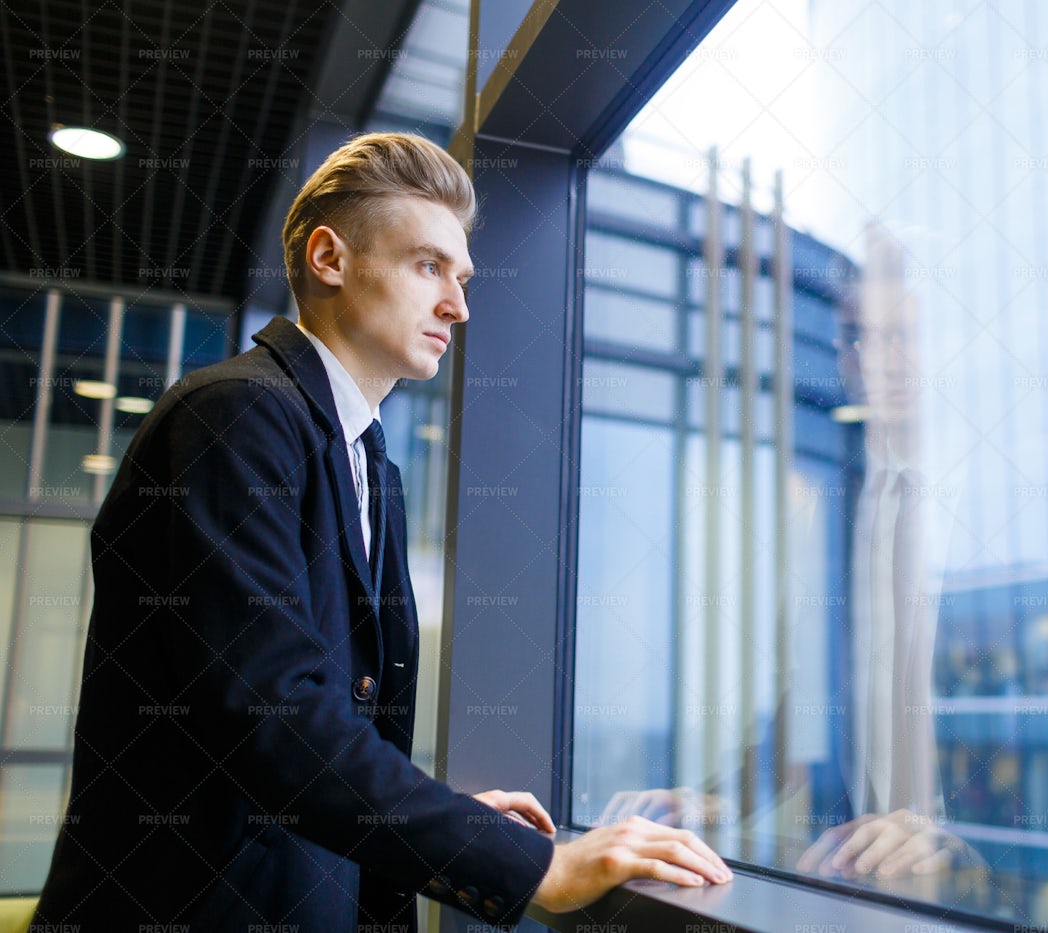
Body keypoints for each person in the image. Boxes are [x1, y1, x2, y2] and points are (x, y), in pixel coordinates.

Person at [29, 132, 730, 932]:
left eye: (461, 277)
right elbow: (274, 719)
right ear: (329, 259)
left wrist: (445, 820)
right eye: (429, 265)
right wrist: (534, 862)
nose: (458, 305)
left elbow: (320, 730)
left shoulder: (366, 458)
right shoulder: (236, 416)